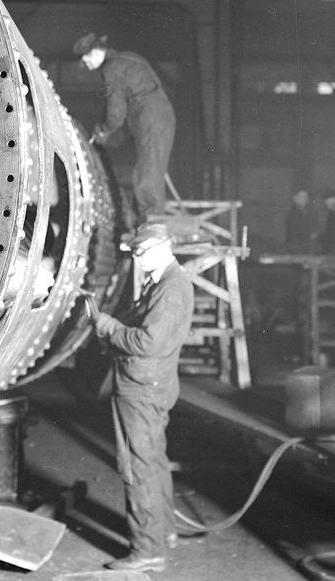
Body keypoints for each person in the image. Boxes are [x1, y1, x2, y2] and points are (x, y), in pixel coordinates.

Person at [92, 222, 194, 573]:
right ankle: (164, 533)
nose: (138, 260)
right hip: (150, 384)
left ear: (161, 247)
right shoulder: (163, 283)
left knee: (138, 466)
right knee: (153, 460)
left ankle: (147, 549)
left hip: (142, 387)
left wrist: (108, 327)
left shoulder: (171, 288)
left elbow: (148, 342)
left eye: (140, 253)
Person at [74, 32, 176, 223]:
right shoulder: (127, 58)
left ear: (96, 52)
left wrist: (102, 131)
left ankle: (153, 229)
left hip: (151, 119)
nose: (86, 65)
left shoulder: (111, 69)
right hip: (157, 117)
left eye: (86, 59)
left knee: (147, 176)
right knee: (148, 172)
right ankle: (148, 223)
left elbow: (116, 113)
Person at [284, 188, 317, 253]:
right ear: (295, 199)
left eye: (306, 197)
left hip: (306, 248)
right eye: (302, 196)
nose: (304, 199)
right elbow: (296, 232)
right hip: (296, 249)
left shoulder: (308, 212)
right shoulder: (292, 214)